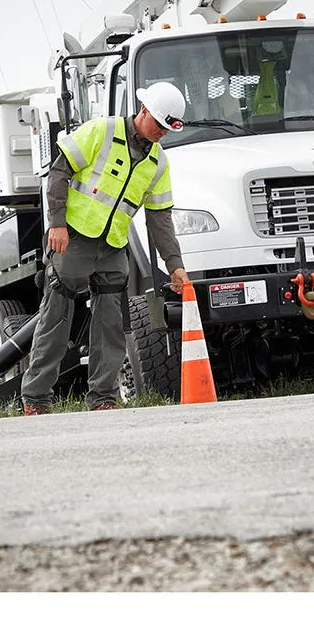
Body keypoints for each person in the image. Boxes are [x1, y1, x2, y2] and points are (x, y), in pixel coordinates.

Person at [19, 81, 191, 415]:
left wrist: (175, 264)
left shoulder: (158, 164)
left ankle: (103, 398)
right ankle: (36, 399)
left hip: (114, 246)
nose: (161, 133)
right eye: (159, 124)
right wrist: (56, 224)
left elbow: (160, 220)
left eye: (168, 129)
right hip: (74, 237)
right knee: (56, 318)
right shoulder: (102, 130)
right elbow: (58, 173)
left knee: (111, 324)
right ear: (143, 111)